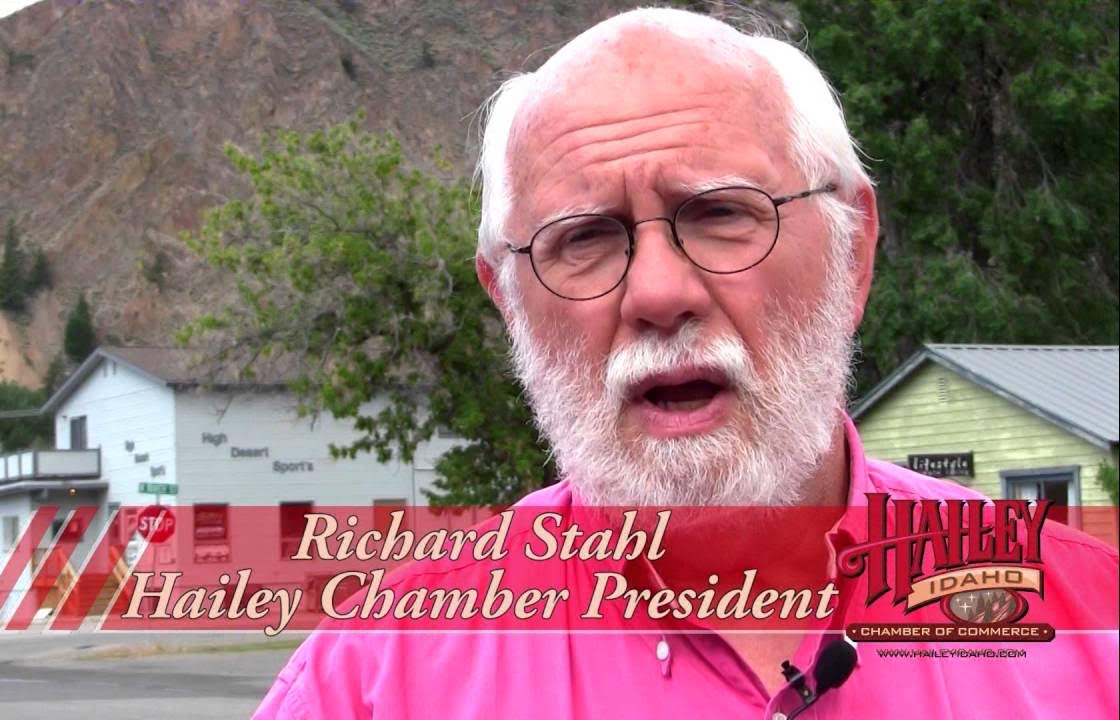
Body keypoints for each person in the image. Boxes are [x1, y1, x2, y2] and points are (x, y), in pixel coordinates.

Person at [253, 8, 1118, 718]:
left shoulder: (1091, 634)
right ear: (510, 303)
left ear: (853, 253)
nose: (659, 293)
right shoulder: (381, 681)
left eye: (719, 214)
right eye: (584, 239)